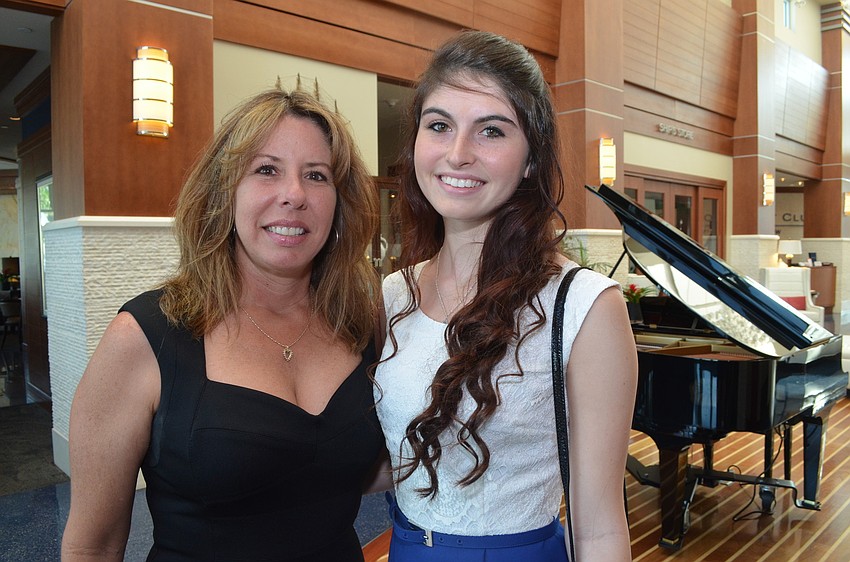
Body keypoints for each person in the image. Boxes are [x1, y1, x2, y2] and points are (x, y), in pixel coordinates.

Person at [61, 86, 386, 561]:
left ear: (339, 203)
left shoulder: (360, 324)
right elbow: (93, 545)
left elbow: (344, 466)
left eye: (316, 175)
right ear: (224, 192)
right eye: (266, 170)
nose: (294, 195)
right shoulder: (147, 336)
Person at [373, 30, 638, 561]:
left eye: (491, 131)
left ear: (531, 159)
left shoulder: (583, 306)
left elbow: (601, 528)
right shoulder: (393, 292)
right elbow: (393, 459)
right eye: (439, 125)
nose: (458, 152)